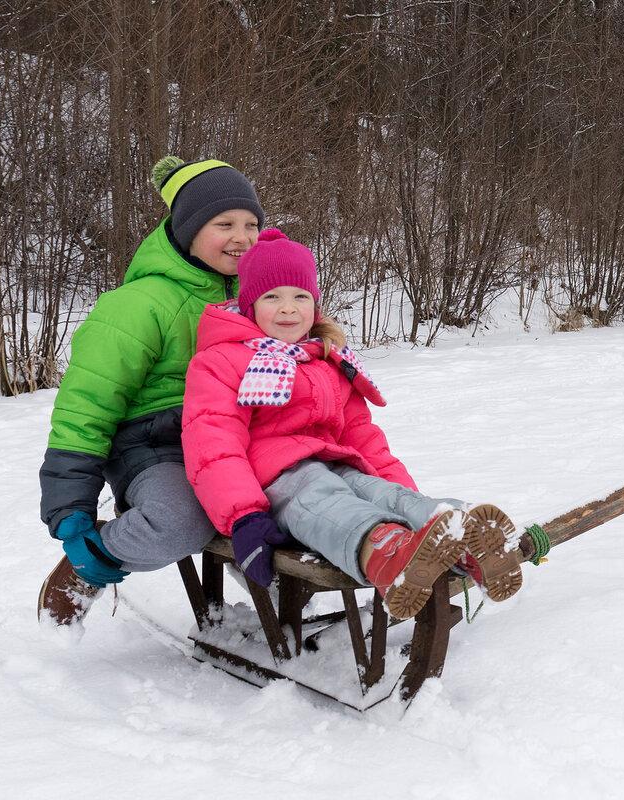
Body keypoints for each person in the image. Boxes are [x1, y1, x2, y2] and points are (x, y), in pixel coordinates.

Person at [179, 229, 526, 618]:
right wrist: (244, 516)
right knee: (322, 494)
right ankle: (386, 550)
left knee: (383, 494)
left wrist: (401, 489)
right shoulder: (222, 361)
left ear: (315, 303)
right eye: (272, 297)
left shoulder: (327, 360)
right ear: (249, 305)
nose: (288, 309)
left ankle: (462, 536)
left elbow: (363, 436)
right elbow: (213, 445)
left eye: (300, 296)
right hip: (275, 484)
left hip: (339, 464)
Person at [39, 157, 266, 625]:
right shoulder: (137, 305)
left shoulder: (260, 297)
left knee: (293, 493)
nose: (241, 237)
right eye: (224, 223)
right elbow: (87, 404)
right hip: (154, 446)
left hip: (235, 438)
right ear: (186, 229)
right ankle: (97, 559)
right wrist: (71, 508)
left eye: (251, 224)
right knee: (182, 521)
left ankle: (279, 582)